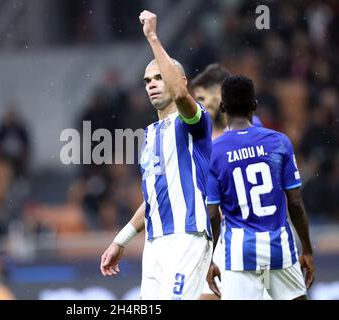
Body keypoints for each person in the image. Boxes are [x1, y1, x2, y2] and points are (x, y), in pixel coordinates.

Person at [100, 10, 213, 300]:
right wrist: (121, 240)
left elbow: (180, 95)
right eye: (147, 80)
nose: (151, 83)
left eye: (159, 77)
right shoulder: (150, 135)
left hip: (187, 236)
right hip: (155, 244)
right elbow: (152, 200)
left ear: (180, 80)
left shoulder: (194, 120)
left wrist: (152, 37)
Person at [205, 75, 315, 300]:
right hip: (279, 248)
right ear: (254, 104)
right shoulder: (279, 142)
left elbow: (213, 215)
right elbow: (295, 203)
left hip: (239, 253)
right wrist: (307, 249)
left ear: (223, 106)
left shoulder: (214, 152)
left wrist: (208, 259)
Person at [191, 63, 263, 300]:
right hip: (209, 232)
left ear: (220, 95)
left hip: (242, 231)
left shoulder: (251, 130)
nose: (199, 104)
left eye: (202, 97)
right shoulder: (197, 134)